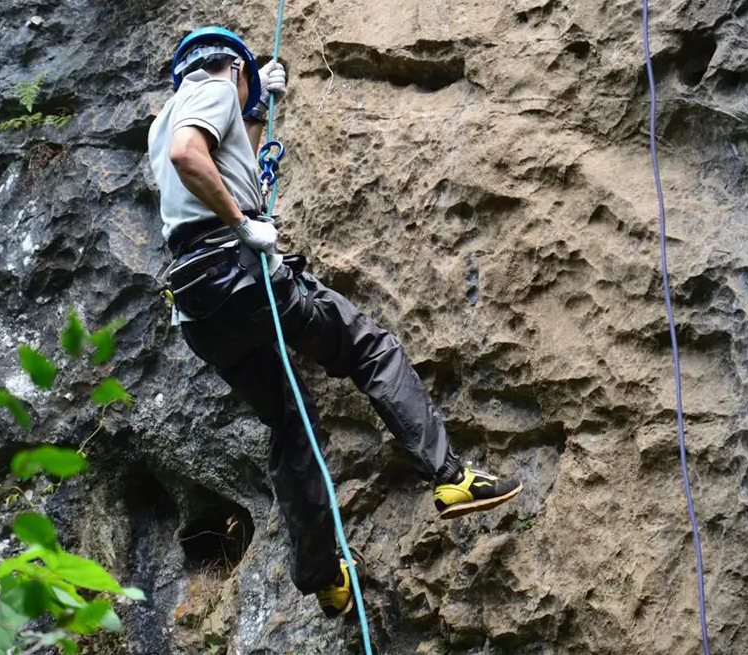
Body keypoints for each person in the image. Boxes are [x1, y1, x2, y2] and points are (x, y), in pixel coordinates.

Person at [147, 26, 523, 618]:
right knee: (369, 348)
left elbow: (223, 165)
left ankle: (327, 579)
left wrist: (261, 118)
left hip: (200, 309)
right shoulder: (214, 86)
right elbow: (191, 158)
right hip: (242, 272)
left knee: (290, 422)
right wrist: (244, 226)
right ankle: (450, 476)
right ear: (235, 69)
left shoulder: (164, 118)